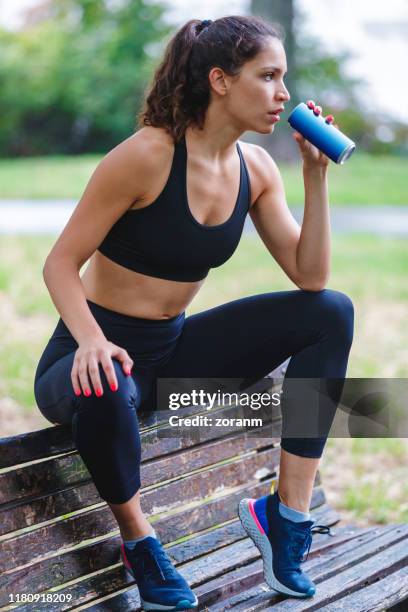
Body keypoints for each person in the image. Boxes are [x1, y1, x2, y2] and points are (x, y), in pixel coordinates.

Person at [34, 14, 354, 610]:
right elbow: (59, 264)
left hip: (171, 357)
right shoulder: (147, 156)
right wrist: (91, 342)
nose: (284, 94)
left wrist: (315, 177)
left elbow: (310, 277)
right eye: (268, 76)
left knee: (330, 311)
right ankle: (142, 544)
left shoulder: (256, 169)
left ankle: (286, 517)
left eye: (283, 78)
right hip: (84, 365)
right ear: (221, 81)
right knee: (108, 379)